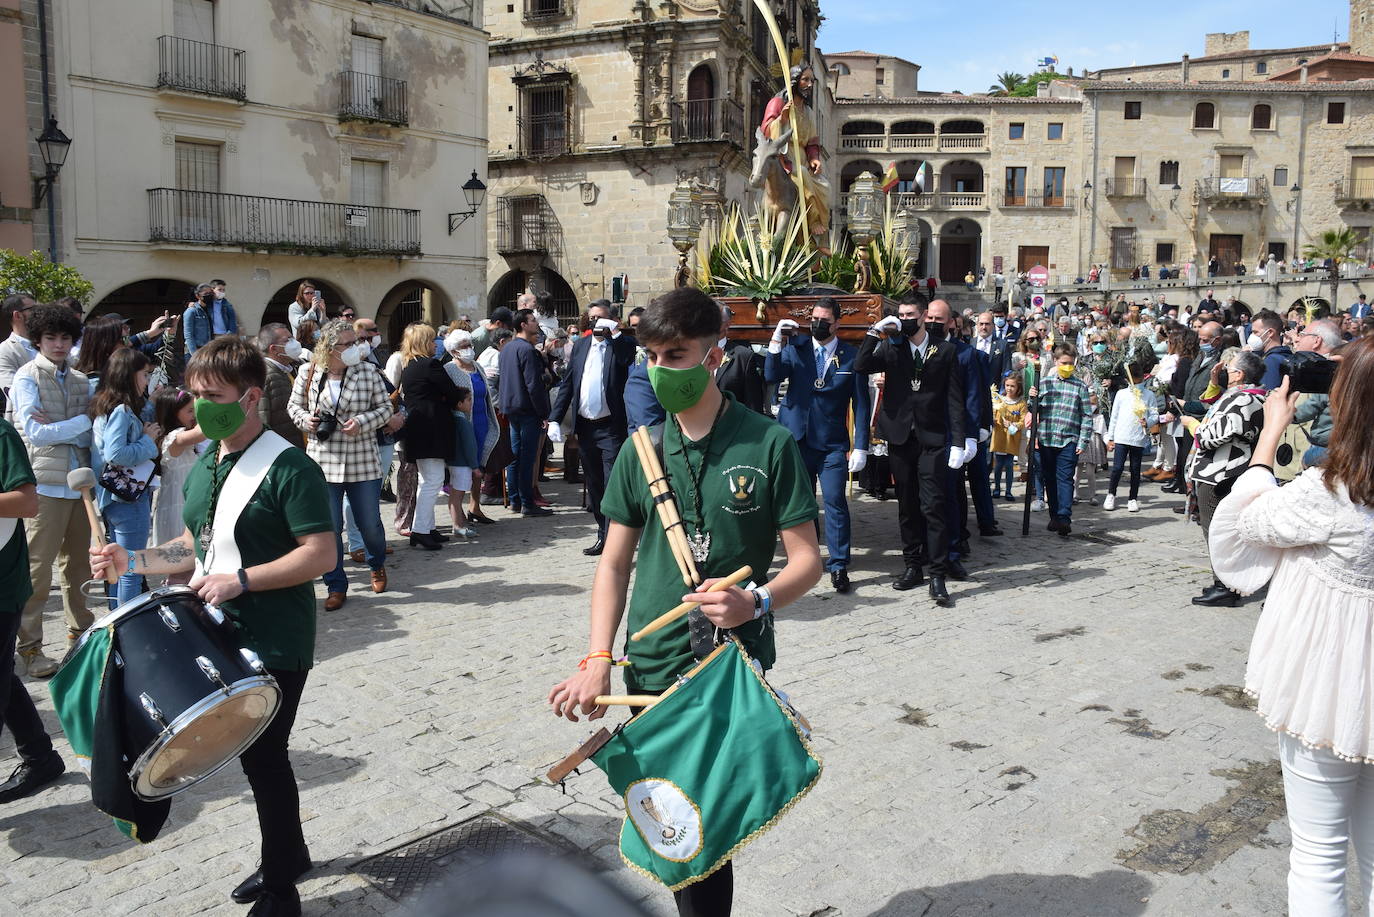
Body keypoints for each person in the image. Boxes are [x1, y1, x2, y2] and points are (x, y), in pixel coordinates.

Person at [546, 286, 821, 917]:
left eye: (678, 354)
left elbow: (808, 562)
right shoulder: (639, 449)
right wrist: (596, 657)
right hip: (648, 668)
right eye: (653, 356)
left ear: (715, 355)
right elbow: (613, 565)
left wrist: (757, 601)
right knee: (671, 826)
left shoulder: (769, 444)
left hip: (724, 673)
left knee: (705, 839)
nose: (663, 369)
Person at [91, 335, 334, 917]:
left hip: (275, 635)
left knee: (264, 757)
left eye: (213, 395)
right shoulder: (212, 458)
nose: (200, 407)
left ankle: (281, 888)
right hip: (216, 628)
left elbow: (321, 554)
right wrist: (135, 560)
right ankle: (291, 854)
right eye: (195, 395)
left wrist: (243, 579)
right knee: (260, 756)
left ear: (252, 397)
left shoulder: (288, 466)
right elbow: (194, 546)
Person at [1208, 339, 1374, 914]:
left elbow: (1249, 520)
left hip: (1330, 685)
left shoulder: (1333, 492)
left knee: (1319, 852)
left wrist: (1269, 435)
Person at [855, 294, 966, 606]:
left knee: (934, 506)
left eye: (909, 314)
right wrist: (874, 332)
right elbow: (861, 365)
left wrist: (959, 440)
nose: (904, 319)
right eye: (900, 314)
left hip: (932, 438)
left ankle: (938, 574)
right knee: (906, 506)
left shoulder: (944, 350)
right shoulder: (892, 346)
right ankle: (912, 566)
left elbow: (954, 399)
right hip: (900, 437)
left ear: (923, 316)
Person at [8, 305, 93, 677]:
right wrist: (80, 421)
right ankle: (30, 648)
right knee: (37, 573)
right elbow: (34, 432)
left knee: (79, 569)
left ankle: (80, 638)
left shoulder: (79, 379)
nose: (58, 344)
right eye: (50, 338)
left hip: (79, 485)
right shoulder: (27, 376)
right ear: (37, 340)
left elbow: (89, 432)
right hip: (43, 485)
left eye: (64, 337)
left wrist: (67, 425)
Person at [764, 296, 871, 594]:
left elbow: (861, 404)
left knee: (835, 501)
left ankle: (838, 565)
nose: (818, 324)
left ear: (837, 323)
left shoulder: (851, 355)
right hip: (796, 439)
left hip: (831, 443)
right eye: (814, 318)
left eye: (824, 320)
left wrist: (861, 445)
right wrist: (775, 342)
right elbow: (772, 376)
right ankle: (808, 559)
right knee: (803, 503)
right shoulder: (795, 349)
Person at [289, 319, 393, 607]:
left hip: (362, 460)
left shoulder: (368, 371)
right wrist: (305, 420)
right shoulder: (308, 372)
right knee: (329, 527)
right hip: (323, 462)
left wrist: (362, 421)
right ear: (329, 347)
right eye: (347, 344)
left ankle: (376, 563)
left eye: (355, 343)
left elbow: (386, 408)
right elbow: (293, 406)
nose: (354, 348)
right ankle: (335, 584)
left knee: (369, 523)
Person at [0, 415, 65, 803]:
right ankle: (40, 755)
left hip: (2, 585)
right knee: (3, 674)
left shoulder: (2, 434)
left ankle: (41, 757)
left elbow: (26, 501)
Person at [548, 304, 637, 555]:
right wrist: (555, 418)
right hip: (586, 427)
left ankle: (614, 541)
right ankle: (602, 533)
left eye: (600, 318)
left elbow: (627, 357)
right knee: (595, 484)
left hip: (611, 427)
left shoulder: (621, 345)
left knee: (612, 484)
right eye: (592, 317)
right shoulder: (581, 346)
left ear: (612, 320)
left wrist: (616, 335)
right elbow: (568, 384)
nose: (595, 321)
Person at [1188, 349, 1267, 607]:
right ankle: (1224, 581)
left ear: (1239, 374)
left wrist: (1193, 427)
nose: (1225, 372)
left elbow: (1212, 435)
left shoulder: (1244, 400)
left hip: (1221, 472)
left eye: (1229, 368)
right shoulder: (1248, 397)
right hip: (1221, 470)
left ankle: (1225, 585)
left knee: (1215, 530)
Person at [90, 348, 161, 608]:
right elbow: (115, 453)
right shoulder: (121, 409)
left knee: (117, 565)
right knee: (131, 566)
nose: (146, 380)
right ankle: (125, 624)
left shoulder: (106, 406)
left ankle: (115, 619)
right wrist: (148, 440)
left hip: (113, 496)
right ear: (130, 376)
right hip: (127, 497)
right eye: (144, 374)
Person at [396, 322, 463, 547]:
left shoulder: (409, 365)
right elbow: (452, 392)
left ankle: (427, 527)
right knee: (433, 481)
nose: (437, 344)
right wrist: (446, 397)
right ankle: (421, 530)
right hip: (431, 429)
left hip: (419, 428)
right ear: (424, 343)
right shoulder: (429, 365)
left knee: (427, 479)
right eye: (433, 339)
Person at [759, 64, 830, 246]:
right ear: (795, 81)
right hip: (782, 157)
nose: (810, 84)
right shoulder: (777, 103)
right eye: (806, 79)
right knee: (803, 174)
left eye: (812, 80)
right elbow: (765, 131)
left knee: (824, 186)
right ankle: (813, 220)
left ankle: (816, 235)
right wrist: (781, 120)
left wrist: (814, 158)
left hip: (802, 157)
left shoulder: (809, 112)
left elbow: (812, 142)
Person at [1029, 343, 1092, 538]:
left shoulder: (1080, 386)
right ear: (1055, 361)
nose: (1067, 366)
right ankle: (1054, 515)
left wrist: (1083, 441)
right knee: (1049, 479)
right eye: (1064, 363)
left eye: (1071, 363)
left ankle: (1064, 516)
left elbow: (1087, 416)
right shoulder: (1045, 383)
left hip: (1069, 440)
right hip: (1047, 439)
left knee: (1065, 478)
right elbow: (1033, 410)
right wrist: (1032, 399)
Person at [498, 308, 553, 517]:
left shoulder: (508, 349)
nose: (535, 324)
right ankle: (527, 503)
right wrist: (543, 413)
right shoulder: (527, 350)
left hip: (512, 408)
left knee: (515, 456)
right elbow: (533, 385)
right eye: (532, 320)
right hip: (527, 410)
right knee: (527, 458)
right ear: (523, 324)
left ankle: (515, 500)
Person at [150, 388, 206, 585]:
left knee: (190, 567)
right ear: (174, 414)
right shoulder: (175, 436)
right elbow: (200, 434)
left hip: (185, 504)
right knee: (183, 568)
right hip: (178, 508)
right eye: (190, 411)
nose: (196, 415)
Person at [443, 329, 499, 526]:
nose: (468, 349)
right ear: (453, 351)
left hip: (483, 422)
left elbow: (485, 394)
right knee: (464, 467)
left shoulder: (477, 366)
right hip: (463, 426)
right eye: (463, 346)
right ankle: (458, 513)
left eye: (469, 345)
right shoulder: (449, 370)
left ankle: (475, 506)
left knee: (479, 465)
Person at [1102, 359, 1159, 513]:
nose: (1137, 382)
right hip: (1122, 436)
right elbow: (1114, 416)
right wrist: (1111, 437)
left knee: (1135, 469)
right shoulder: (1121, 394)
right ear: (1128, 380)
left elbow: (1154, 414)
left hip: (1138, 438)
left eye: (1139, 379)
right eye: (1134, 380)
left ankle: (1133, 498)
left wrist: (1147, 421)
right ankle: (1111, 494)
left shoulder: (1148, 395)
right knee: (1117, 468)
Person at [1290, 318, 1342, 467]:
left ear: (1317, 341)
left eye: (1303, 334)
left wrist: (1287, 412)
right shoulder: (1343, 370)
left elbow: (1307, 409)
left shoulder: (1328, 374)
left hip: (1321, 451)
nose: (1297, 338)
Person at [255, 323, 305, 448]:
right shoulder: (265, 377)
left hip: (298, 445)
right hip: (281, 448)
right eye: (287, 340)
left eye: (292, 338)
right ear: (273, 349)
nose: (294, 342)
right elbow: (262, 418)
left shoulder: (294, 368)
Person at [990, 374, 1026, 501]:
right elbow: (993, 414)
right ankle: (997, 488)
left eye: (1012, 386)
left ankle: (1009, 491)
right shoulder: (999, 400)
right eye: (1007, 385)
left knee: (1009, 464)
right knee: (999, 464)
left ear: (1018, 387)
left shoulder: (1021, 403)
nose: (1009, 388)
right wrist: (993, 420)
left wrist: (1014, 424)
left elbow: (1023, 421)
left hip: (1012, 438)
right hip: (1000, 436)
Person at [0, 293, 37, 412]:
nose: (39, 313)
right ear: (17, 315)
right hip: (24, 422)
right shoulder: (5, 350)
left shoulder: (48, 343)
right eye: (33, 310)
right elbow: (13, 390)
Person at [183, 280, 240, 356]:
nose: (222, 292)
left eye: (223, 290)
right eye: (219, 290)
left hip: (221, 339)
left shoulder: (226, 305)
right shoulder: (197, 309)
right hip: (201, 347)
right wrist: (194, 354)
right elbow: (188, 335)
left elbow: (233, 323)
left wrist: (229, 336)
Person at [73, 315, 128, 388]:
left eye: (127, 338)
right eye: (122, 339)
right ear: (105, 346)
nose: (129, 343)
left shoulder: (116, 377)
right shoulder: (94, 386)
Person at [1250, 310, 1293, 391]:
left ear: (1270, 332)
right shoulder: (1285, 355)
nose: (1252, 336)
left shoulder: (1271, 361)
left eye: (1255, 332)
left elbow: (1266, 394)